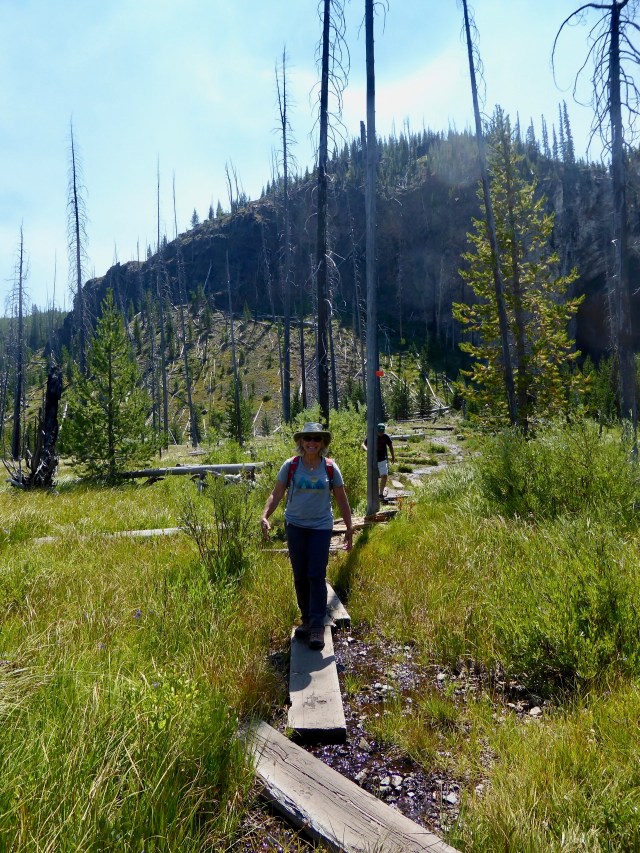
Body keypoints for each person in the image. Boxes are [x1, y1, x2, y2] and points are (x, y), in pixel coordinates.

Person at [261, 422, 353, 651]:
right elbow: (276, 493)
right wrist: (265, 516)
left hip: (321, 527)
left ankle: (317, 626)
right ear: (301, 442)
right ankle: (307, 619)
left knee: (316, 574)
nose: (312, 442)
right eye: (308, 438)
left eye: (316, 439)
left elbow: (342, 499)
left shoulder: (330, 467)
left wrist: (349, 528)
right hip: (295, 525)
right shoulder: (291, 465)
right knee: (300, 575)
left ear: (322, 443)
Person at [362, 422, 395, 500]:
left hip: (383, 459)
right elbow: (363, 444)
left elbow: (390, 446)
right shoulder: (372, 436)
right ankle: (372, 494)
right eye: (379, 431)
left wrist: (393, 456)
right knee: (373, 477)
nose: (381, 433)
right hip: (373, 460)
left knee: (384, 476)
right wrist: (367, 449)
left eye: (382, 431)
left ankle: (381, 494)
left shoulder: (386, 437)